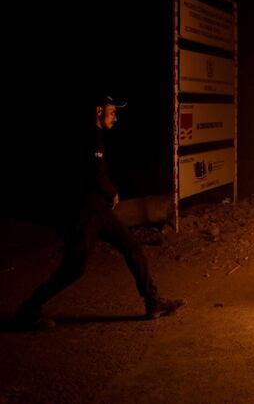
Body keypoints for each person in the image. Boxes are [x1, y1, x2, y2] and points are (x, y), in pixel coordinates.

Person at [15, 95, 184, 330]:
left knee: (132, 247)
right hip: (84, 214)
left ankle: (153, 302)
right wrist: (112, 192)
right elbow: (94, 175)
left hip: (100, 212)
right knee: (74, 268)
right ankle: (29, 309)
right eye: (112, 111)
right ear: (97, 111)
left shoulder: (97, 137)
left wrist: (107, 195)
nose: (115, 117)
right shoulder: (89, 137)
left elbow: (95, 172)